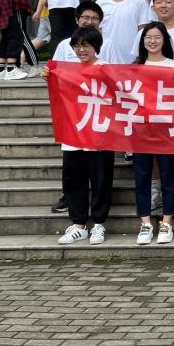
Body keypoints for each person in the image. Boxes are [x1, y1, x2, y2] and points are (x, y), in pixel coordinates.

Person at [55, 27, 115, 246]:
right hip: (73, 132)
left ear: (95, 46)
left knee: (100, 179)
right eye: (77, 46)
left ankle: (99, 223)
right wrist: (50, 78)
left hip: (99, 133)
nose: (81, 50)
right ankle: (78, 224)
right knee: (73, 179)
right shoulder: (68, 70)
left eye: (86, 45)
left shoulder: (106, 68)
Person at [132, 22, 174, 245]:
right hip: (141, 129)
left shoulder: (173, 66)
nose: (152, 41)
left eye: (157, 37)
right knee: (142, 177)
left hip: (166, 130)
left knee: (168, 177)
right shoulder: (135, 66)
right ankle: (145, 223)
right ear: (142, 41)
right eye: (148, 37)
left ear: (164, 40)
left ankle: (166, 222)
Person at [97, 0, 152, 64]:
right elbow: (98, 31)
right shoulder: (100, 3)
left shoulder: (139, 2)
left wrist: (140, 56)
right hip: (105, 58)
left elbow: (142, 32)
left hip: (132, 59)